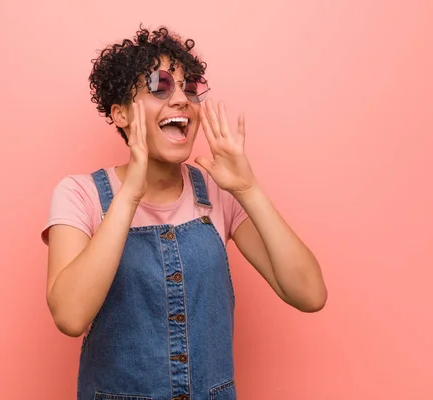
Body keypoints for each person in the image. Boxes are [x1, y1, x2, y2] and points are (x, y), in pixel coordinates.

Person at [41, 25, 327, 400]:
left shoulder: (216, 192)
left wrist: (248, 189)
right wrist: (129, 197)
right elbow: (70, 316)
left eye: (190, 87)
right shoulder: (80, 195)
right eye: (159, 86)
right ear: (121, 113)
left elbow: (310, 294)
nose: (182, 99)